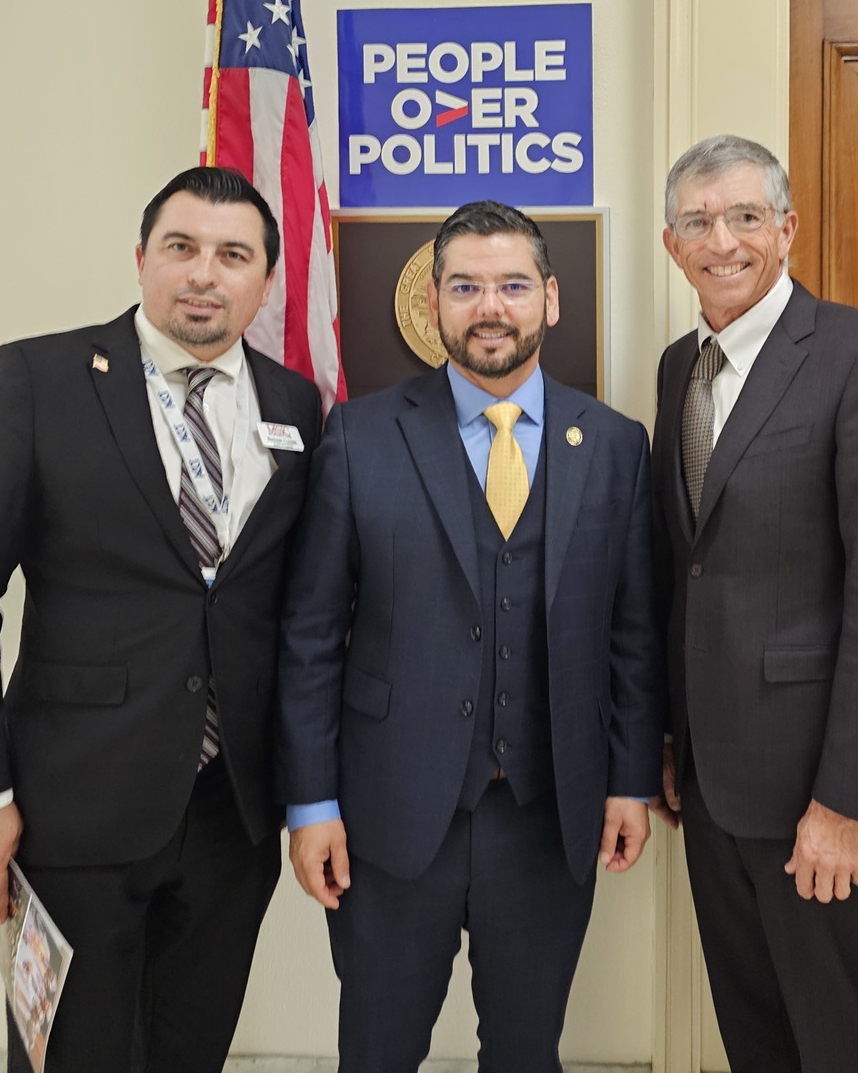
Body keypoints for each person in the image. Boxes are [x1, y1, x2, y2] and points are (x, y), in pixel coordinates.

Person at [0, 166, 322, 1072]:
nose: (204, 273)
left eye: (233, 255)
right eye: (181, 248)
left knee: (189, 1052)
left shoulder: (297, 407)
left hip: (231, 816)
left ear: (264, 280)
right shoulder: (38, 377)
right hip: (67, 812)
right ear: (142, 258)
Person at [277, 200, 663, 1073]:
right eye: (467, 286)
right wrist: (311, 803)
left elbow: (632, 635)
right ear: (435, 304)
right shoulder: (359, 436)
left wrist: (630, 779)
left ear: (551, 300)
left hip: (547, 815)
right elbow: (308, 635)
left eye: (513, 284)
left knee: (527, 1053)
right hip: (388, 815)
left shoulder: (612, 445)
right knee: (376, 1051)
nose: (491, 306)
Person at [651, 134, 858, 1072]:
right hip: (711, 783)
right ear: (671, 243)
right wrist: (670, 739)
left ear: (788, 228)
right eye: (698, 220)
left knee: (837, 1043)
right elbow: (686, 570)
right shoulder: (675, 369)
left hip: (822, 791)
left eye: (745, 216)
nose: (722, 239)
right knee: (755, 1035)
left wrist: (849, 801)